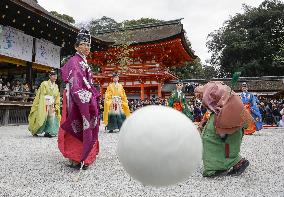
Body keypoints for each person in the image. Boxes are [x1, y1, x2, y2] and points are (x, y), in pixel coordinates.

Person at [58, 28, 100, 170]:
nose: (87, 47)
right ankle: (76, 157)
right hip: (75, 97)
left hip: (84, 96)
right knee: (77, 123)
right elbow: (76, 81)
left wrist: (92, 95)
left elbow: (88, 82)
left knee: (87, 124)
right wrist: (87, 95)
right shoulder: (74, 61)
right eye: (84, 44)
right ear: (76, 46)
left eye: (89, 45)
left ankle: (86, 155)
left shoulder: (84, 62)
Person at [194, 81, 251, 177]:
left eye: (198, 95)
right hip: (232, 114)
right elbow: (211, 111)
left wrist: (221, 113)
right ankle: (228, 164)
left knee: (209, 138)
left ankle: (219, 167)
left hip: (227, 114)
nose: (199, 98)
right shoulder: (215, 88)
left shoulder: (209, 89)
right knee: (223, 141)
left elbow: (220, 104)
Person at [28, 70, 61, 137]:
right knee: (42, 117)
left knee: (51, 117)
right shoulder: (44, 83)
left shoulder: (56, 86)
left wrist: (56, 104)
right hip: (43, 103)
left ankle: (48, 132)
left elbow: (57, 96)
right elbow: (42, 94)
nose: (55, 77)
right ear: (49, 76)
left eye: (56, 76)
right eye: (53, 76)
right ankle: (35, 131)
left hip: (51, 104)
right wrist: (45, 102)